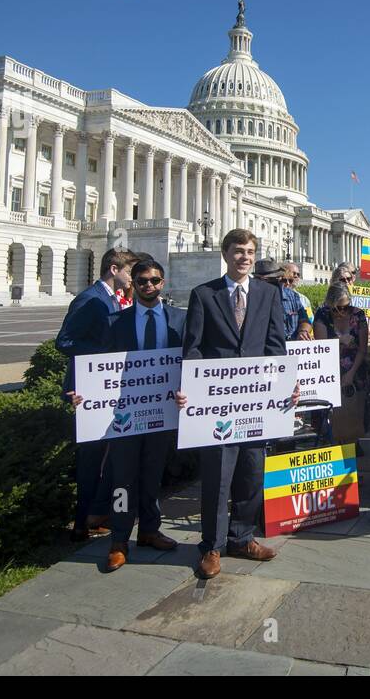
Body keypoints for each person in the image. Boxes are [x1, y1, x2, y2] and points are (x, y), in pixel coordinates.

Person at [182, 228, 287, 579]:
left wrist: (286, 384)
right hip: (218, 405)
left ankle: (242, 537)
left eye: (250, 251)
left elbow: (275, 344)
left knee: (251, 471)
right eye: (239, 251)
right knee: (218, 475)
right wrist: (192, 390)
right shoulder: (204, 295)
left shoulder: (268, 293)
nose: (245, 257)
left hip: (257, 402)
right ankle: (211, 546)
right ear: (226, 254)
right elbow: (193, 348)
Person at [95, 258, 184, 571]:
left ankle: (149, 529)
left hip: (162, 411)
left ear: (163, 282)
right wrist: (85, 393)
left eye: (155, 280)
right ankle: (119, 539)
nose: (150, 286)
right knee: (123, 478)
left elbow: (191, 361)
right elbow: (100, 367)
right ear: (133, 283)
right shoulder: (117, 321)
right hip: (126, 413)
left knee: (152, 473)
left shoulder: (178, 320)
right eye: (143, 281)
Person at [57, 246, 138, 541]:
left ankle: (97, 514)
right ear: (114, 270)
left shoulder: (112, 298)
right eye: (130, 271)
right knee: (91, 459)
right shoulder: (90, 299)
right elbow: (64, 342)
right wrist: (104, 357)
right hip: (85, 391)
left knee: (109, 456)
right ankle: (81, 522)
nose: (133, 278)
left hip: (106, 390)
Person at [314, 283, 369, 445]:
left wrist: (351, 373)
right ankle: (333, 442)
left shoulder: (358, 315)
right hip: (329, 369)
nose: (341, 312)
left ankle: (352, 442)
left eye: (345, 307)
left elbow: (362, 348)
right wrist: (340, 340)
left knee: (354, 411)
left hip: (355, 369)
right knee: (331, 414)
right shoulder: (322, 315)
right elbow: (321, 346)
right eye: (337, 308)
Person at [256, 258, 313, 341]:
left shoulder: (293, 296)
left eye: (280, 279)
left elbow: (305, 320)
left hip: (292, 348)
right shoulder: (251, 298)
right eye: (272, 280)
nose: (280, 283)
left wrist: (303, 331)